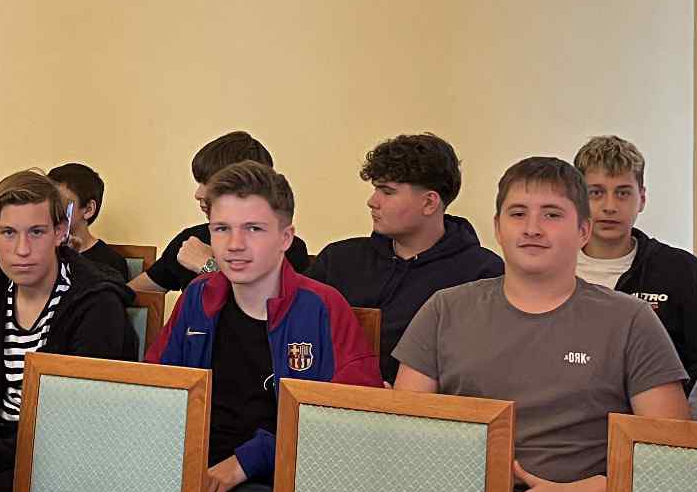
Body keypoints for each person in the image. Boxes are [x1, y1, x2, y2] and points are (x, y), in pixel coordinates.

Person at [393, 156, 688, 492]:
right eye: (518, 214)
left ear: (583, 231)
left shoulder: (630, 320)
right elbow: (404, 435)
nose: (532, 228)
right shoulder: (445, 309)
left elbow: (672, 456)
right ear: (498, 228)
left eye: (552, 215)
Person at [148, 160, 377, 492]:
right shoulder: (197, 301)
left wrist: (245, 462)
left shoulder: (322, 307)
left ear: (285, 237)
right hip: (191, 473)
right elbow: (158, 389)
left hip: (279, 486)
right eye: (221, 229)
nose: (234, 245)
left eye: (253, 228)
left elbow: (345, 418)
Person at [0, 170, 137, 492]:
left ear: (60, 231)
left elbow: (79, 424)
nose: (22, 249)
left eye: (36, 232)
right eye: (8, 233)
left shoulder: (96, 305)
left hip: (70, 463)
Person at [305, 132, 503, 383]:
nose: (372, 202)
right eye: (375, 189)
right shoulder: (337, 260)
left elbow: (480, 370)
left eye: (387, 192)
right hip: (325, 400)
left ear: (429, 203)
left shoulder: (482, 274)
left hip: (426, 405)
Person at [572, 135, 697, 384]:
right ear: (577, 200)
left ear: (642, 199)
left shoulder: (681, 270)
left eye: (623, 193)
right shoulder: (552, 267)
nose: (609, 206)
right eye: (596, 193)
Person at [132, 131, 310, 299]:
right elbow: (134, 292)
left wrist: (208, 266)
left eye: (210, 184)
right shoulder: (192, 239)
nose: (198, 194)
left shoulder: (287, 248)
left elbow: (272, 309)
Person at [46, 162, 131, 282]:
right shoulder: (42, 252)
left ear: (88, 209)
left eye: (60, 202)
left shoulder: (110, 263)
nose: (50, 209)